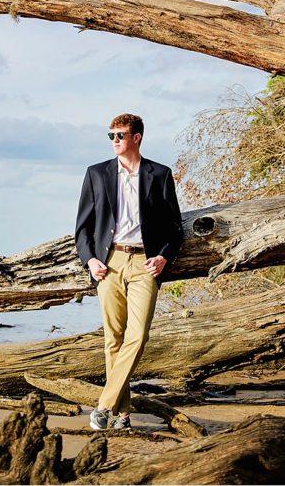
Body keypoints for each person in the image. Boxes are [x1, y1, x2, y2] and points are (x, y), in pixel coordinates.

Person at [74, 113, 183, 431]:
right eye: (110, 136)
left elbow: (175, 228)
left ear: (137, 138)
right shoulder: (96, 173)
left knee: (138, 335)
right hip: (108, 264)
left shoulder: (159, 174)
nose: (114, 141)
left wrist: (164, 257)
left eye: (120, 135)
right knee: (113, 339)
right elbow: (82, 228)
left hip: (144, 265)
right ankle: (121, 415)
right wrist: (89, 259)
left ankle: (104, 405)